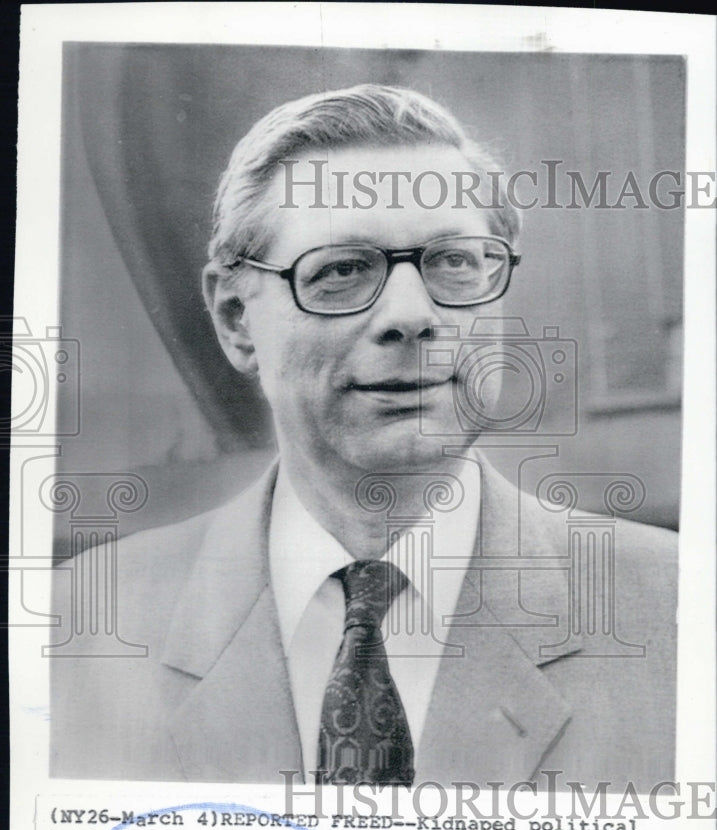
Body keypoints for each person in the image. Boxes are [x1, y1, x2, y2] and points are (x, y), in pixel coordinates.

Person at [50, 84, 677, 789]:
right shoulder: (76, 630)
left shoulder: (678, 614)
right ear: (234, 320)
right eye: (342, 271)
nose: (411, 317)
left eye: (454, 263)